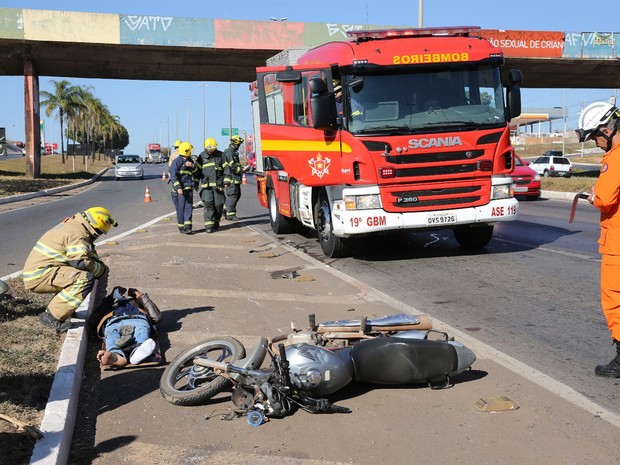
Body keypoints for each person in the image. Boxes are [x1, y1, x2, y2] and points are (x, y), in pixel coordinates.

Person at [576, 101, 620, 378]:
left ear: (607, 128)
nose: (595, 143)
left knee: (614, 299)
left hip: (618, 243)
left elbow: (604, 199)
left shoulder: (614, 159)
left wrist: (593, 195)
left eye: (594, 137)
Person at [23, 207, 117, 332]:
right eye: (97, 233)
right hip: (39, 275)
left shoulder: (75, 226)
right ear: (93, 227)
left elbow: (86, 255)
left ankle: (64, 309)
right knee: (84, 279)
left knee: (78, 274)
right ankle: (51, 317)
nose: (97, 236)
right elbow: (81, 262)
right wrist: (102, 271)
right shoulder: (77, 233)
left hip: (40, 272)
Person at [94, 286, 161, 368]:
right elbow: (92, 321)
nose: (123, 298)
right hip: (114, 321)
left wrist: (140, 296)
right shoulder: (110, 306)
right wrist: (111, 297)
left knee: (141, 331)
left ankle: (138, 351)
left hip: (137, 319)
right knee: (111, 334)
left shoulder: (137, 304)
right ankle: (115, 356)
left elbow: (156, 317)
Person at [195, 137, 226, 233]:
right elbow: (197, 172)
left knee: (218, 205)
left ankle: (216, 221)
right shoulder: (201, 156)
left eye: (211, 149)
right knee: (208, 204)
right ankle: (209, 226)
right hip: (206, 187)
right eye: (208, 149)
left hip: (218, 186)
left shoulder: (221, 155)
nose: (209, 151)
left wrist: (227, 181)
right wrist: (195, 183)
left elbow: (227, 169)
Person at [169, 141, 196, 234]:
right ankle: (181, 227)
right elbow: (173, 176)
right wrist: (178, 188)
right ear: (187, 151)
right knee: (181, 209)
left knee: (189, 208)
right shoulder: (177, 162)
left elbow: (195, 171)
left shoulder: (190, 160)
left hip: (188, 189)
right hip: (179, 191)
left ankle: (188, 227)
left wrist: (192, 165)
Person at [223, 135, 244, 221]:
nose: (239, 146)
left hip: (235, 178)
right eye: (239, 144)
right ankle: (230, 214)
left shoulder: (233, 152)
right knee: (232, 195)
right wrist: (241, 170)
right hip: (231, 179)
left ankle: (225, 209)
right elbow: (232, 166)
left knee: (237, 195)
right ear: (235, 144)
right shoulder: (229, 153)